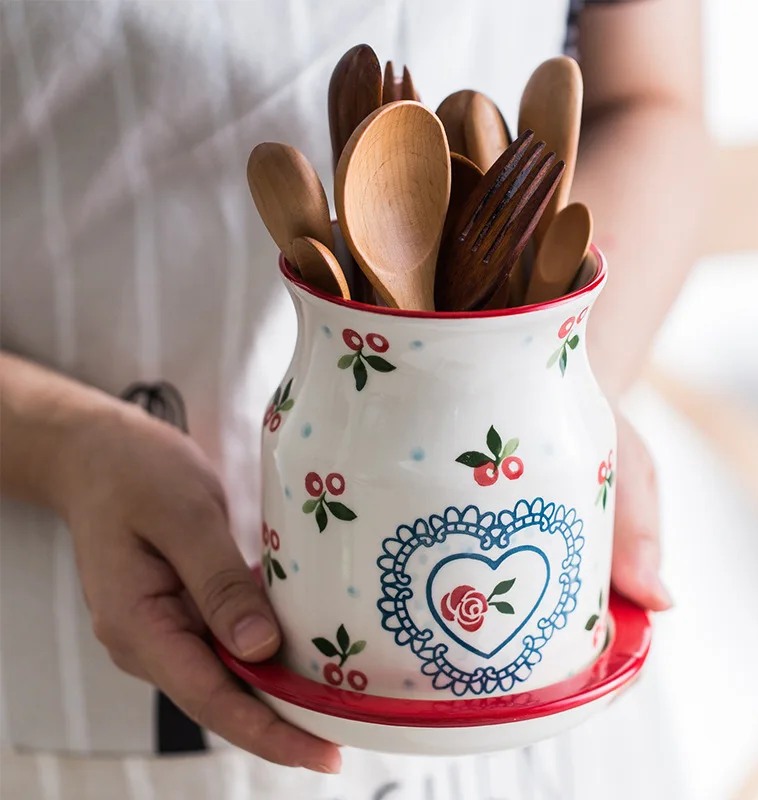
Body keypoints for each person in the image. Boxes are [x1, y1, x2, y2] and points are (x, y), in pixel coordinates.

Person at [0, 0, 710, 797]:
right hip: (94, 679)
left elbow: (651, 101)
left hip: (547, 718)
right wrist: (63, 443)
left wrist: (558, 380)